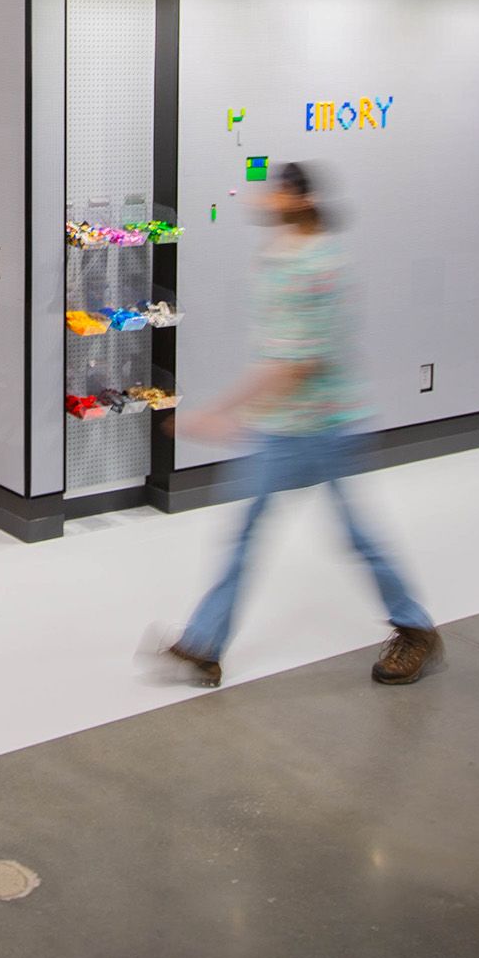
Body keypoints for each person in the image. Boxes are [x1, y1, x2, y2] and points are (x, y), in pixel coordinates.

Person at [159, 161, 443, 690]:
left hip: (324, 428)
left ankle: (416, 629)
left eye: (274, 192)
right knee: (244, 535)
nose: (262, 198)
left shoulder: (320, 266)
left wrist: (218, 413)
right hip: (282, 427)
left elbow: (297, 364)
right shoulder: (278, 256)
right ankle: (204, 644)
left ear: (298, 200)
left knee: (356, 536)